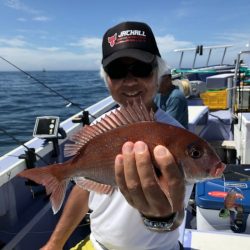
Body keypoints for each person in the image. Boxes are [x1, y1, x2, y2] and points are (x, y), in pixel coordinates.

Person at [41, 21, 193, 250]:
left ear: (158, 72)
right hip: (97, 245)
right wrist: (54, 243)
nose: (130, 81)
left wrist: (161, 218)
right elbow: (85, 188)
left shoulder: (178, 139)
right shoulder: (101, 126)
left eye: (141, 69)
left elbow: (177, 213)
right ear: (107, 79)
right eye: (117, 71)